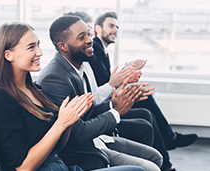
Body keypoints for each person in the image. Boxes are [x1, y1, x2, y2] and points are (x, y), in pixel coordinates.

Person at [0, 22, 146, 171]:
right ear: (9, 55)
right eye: (31, 47)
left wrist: (69, 120)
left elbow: (57, 146)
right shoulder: (1, 100)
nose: (39, 52)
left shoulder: (35, 90)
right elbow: (23, 167)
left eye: (38, 45)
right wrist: (61, 124)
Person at [37, 15, 163, 171]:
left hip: (97, 139)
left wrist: (114, 104)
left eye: (88, 34)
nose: (90, 40)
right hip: (82, 149)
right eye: (81, 37)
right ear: (63, 46)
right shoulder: (55, 78)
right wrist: (116, 112)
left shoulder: (78, 65)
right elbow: (79, 133)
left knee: (156, 157)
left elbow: (88, 111)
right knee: (151, 168)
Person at [89, 11, 198, 171]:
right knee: (145, 100)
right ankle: (169, 143)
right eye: (111, 26)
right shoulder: (95, 49)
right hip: (103, 106)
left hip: (106, 99)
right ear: (98, 28)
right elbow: (104, 86)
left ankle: (168, 145)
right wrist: (125, 74)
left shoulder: (102, 51)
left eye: (117, 27)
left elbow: (106, 82)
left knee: (144, 97)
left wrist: (126, 75)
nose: (115, 30)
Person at [64, 11, 156, 147]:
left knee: (144, 107)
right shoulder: (89, 56)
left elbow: (98, 92)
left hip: (98, 108)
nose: (90, 39)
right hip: (92, 120)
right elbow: (95, 100)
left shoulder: (88, 62)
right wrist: (116, 86)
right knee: (144, 121)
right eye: (83, 34)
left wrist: (121, 78)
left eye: (88, 32)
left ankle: (166, 148)